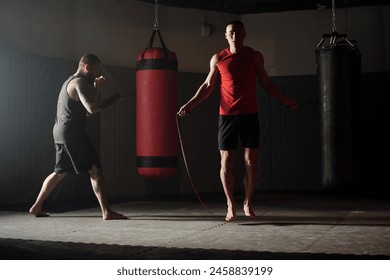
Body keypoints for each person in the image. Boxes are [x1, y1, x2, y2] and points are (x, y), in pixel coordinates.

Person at [177, 20, 298, 222]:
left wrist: (285, 100)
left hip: (250, 115)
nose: (235, 36)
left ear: (244, 34)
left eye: (239, 32)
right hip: (227, 117)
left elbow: (266, 82)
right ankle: (230, 204)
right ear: (226, 35)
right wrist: (189, 104)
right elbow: (207, 85)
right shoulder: (218, 58)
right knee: (227, 161)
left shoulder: (254, 56)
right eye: (231, 32)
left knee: (251, 162)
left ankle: (248, 203)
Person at [29, 53, 127, 220]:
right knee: (95, 169)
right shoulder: (79, 82)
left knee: (59, 172)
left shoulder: (69, 81)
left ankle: (36, 207)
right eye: (96, 70)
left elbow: (86, 112)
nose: (97, 74)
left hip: (60, 132)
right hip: (73, 134)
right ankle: (106, 212)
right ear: (86, 67)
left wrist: (98, 88)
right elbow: (92, 109)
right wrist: (114, 98)